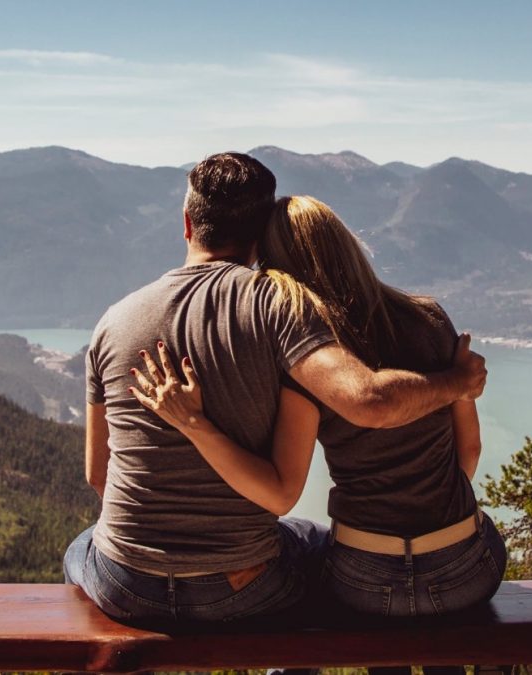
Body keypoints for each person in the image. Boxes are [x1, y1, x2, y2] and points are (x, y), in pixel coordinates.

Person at [64, 154, 488, 627]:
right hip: (243, 585)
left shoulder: (111, 322)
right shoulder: (279, 307)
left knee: (80, 548)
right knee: (309, 542)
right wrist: (458, 383)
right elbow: (367, 403)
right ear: (260, 233)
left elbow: (99, 476)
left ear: (187, 223)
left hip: (126, 584)